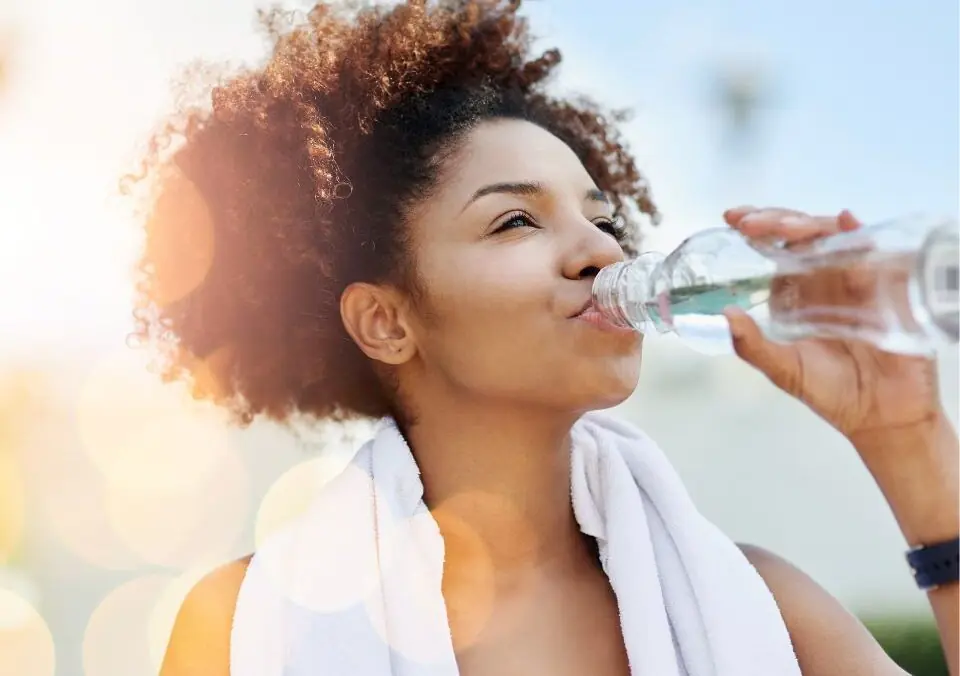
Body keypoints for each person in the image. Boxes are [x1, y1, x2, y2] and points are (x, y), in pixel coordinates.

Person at [132, 1, 958, 674]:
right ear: (386, 321)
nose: (604, 251)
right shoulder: (242, 633)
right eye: (516, 220)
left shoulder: (764, 607)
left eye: (603, 219)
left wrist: (907, 439)